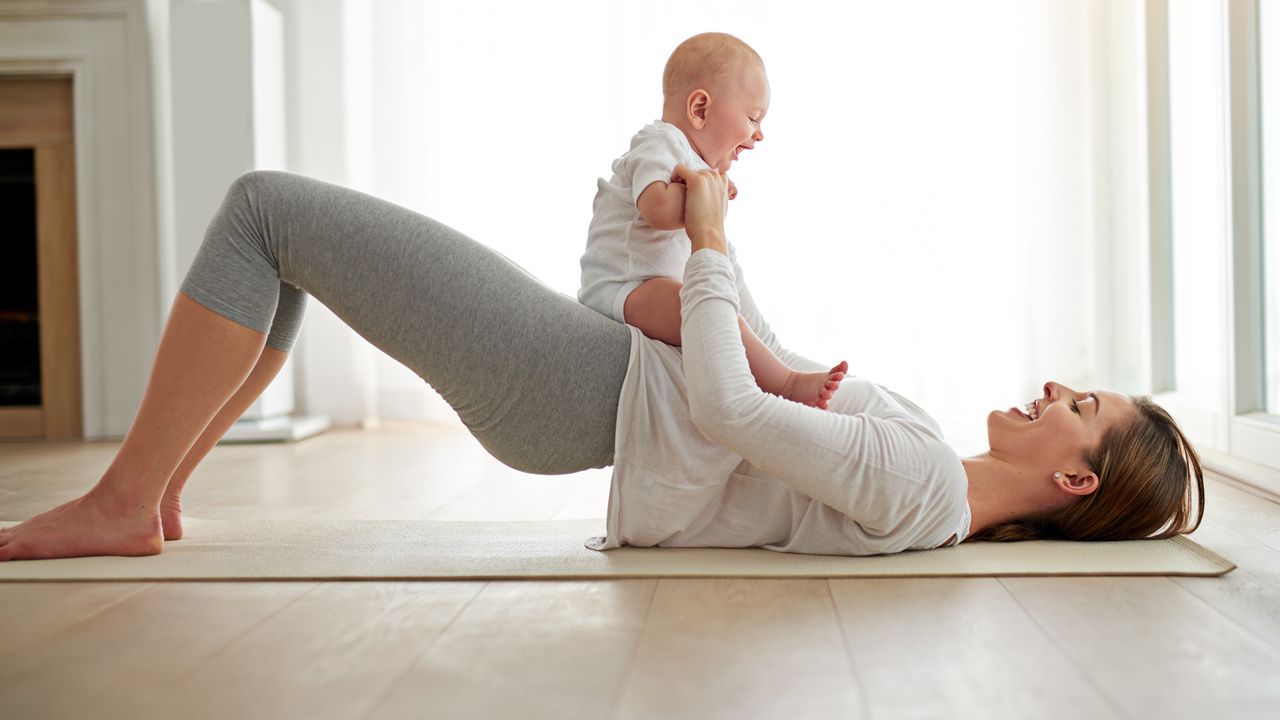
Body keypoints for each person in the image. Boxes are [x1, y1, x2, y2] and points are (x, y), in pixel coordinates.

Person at [0, 167, 1203, 561]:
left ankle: (120, 500)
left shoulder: (923, 492)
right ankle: (152, 496)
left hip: (579, 390)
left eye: (1075, 409)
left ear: (1075, 483)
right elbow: (751, 381)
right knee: (291, 248)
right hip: (595, 383)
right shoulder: (924, 470)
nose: (1052, 390)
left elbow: (728, 407)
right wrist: (692, 248)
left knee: (265, 213)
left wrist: (718, 238)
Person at [579, 32, 846, 409]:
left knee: (718, 308)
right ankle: (785, 382)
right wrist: (704, 195)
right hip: (620, 287)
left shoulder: (690, 159)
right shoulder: (660, 141)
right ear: (700, 109)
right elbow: (655, 207)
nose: (759, 134)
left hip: (647, 285)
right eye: (752, 117)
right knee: (713, 314)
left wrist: (709, 187)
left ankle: (774, 377)